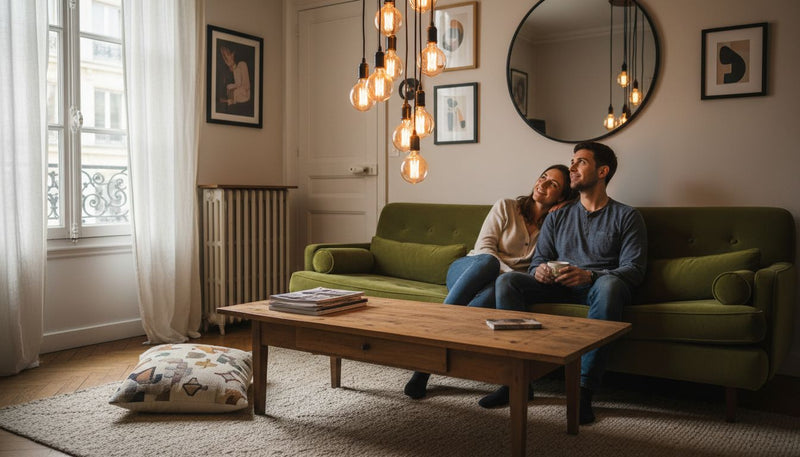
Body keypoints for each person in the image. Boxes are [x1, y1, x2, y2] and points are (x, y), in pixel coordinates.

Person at [485, 141, 647, 425]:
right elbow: (538, 261)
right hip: (558, 285)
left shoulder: (627, 216)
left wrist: (591, 276)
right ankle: (518, 382)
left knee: (610, 286)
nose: (572, 167)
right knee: (508, 282)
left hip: (599, 288)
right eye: (572, 161)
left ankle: (584, 392)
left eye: (581, 162)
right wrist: (541, 272)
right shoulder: (557, 216)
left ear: (602, 171)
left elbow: (634, 269)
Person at [404, 164, 576, 400]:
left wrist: (565, 210)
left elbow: (548, 263)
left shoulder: (555, 225)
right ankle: (436, 330)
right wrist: (506, 273)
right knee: (489, 264)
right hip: (471, 269)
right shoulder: (506, 206)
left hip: (498, 284)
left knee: (493, 294)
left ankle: (424, 368)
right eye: (543, 177)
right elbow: (485, 249)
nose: (543, 185)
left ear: (563, 196)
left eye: (553, 184)